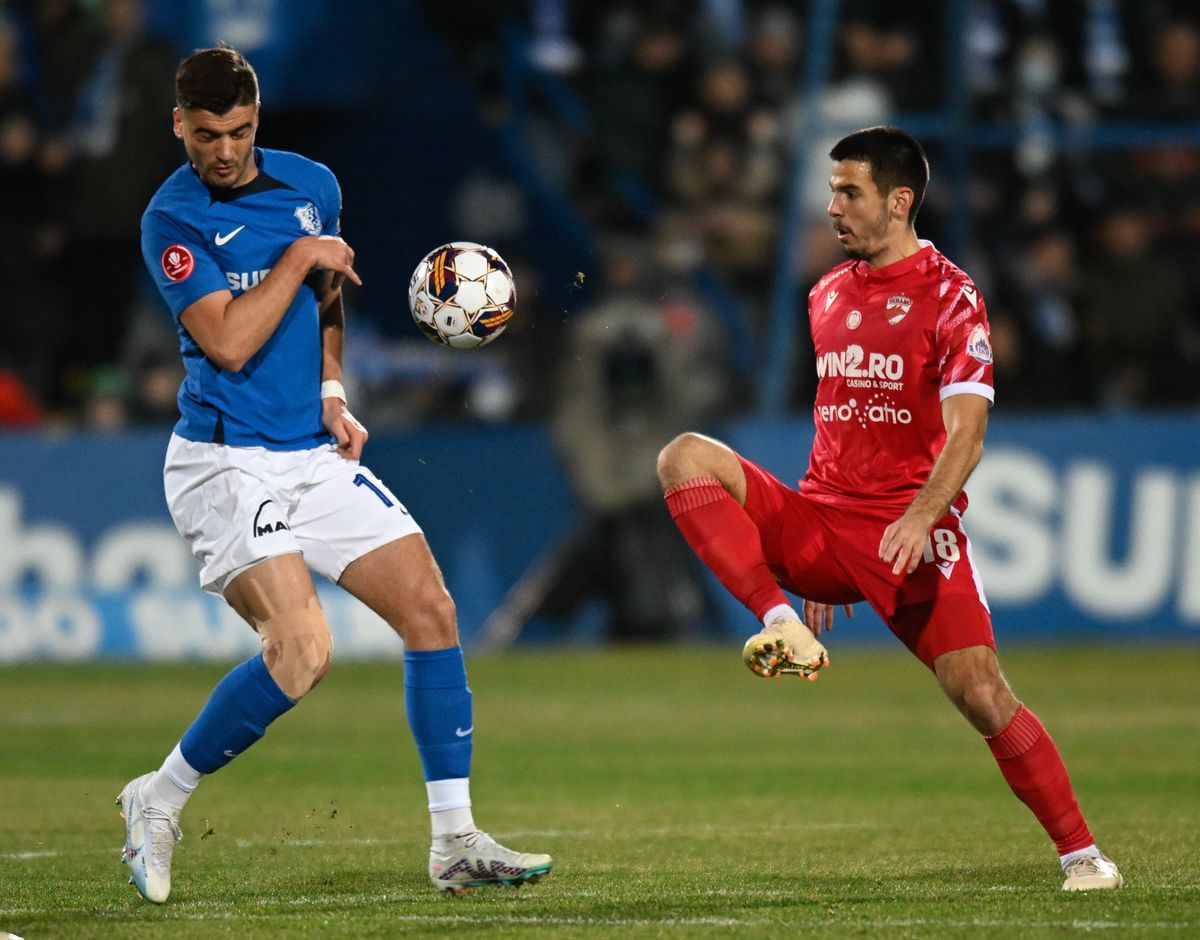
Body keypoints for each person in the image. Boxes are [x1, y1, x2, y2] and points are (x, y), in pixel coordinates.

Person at [119, 45, 552, 904]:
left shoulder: (311, 183)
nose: (225, 152)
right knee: (303, 650)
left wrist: (331, 388)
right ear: (180, 124)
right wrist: (300, 255)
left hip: (309, 455)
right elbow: (231, 341)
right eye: (206, 135)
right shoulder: (171, 220)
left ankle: (455, 840)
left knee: (431, 610)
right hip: (223, 464)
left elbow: (329, 295)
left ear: (257, 119)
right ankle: (157, 799)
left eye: (239, 131)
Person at [656, 126, 1124, 893]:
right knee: (683, 457)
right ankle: (780, 621)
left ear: (899, 201)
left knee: (981, 693)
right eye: (832, 190)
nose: (832, 206)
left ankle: (1083, 855)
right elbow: (836, 416)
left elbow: (967, 435)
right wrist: (810, 539)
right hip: (824, 523)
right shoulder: (826, 293)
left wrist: (918, 516)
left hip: (910, 534)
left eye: (850, 192)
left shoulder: (952, 297)